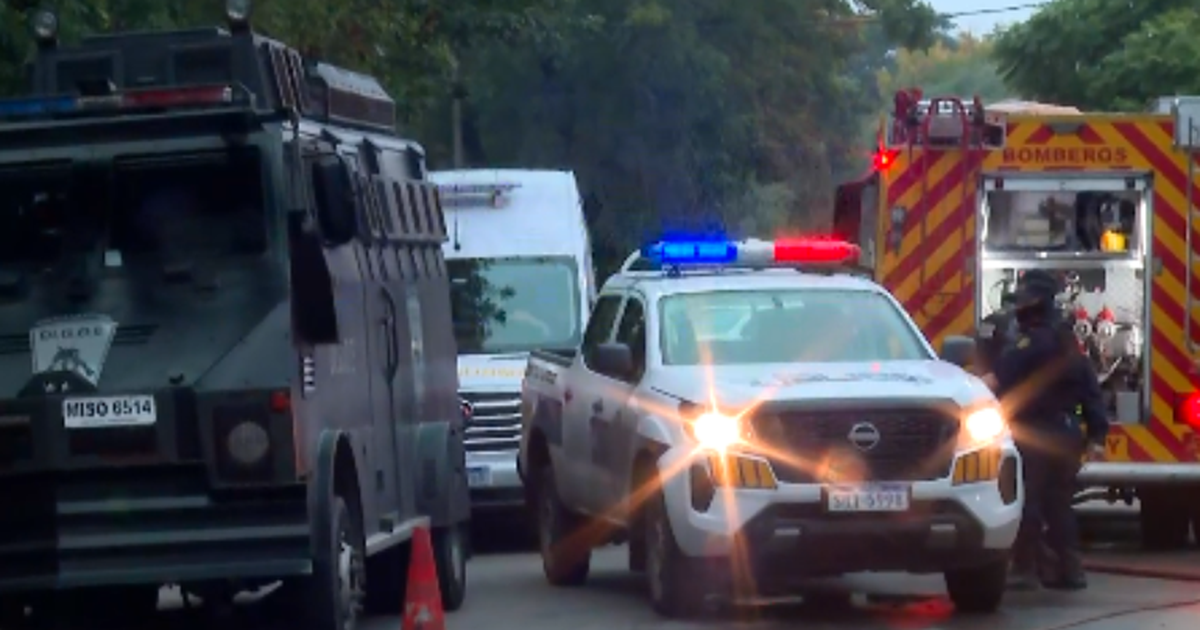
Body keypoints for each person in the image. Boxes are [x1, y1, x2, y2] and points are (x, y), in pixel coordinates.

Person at [980, 269, 1108, 591]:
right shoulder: (1068, 342)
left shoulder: (1029, 343)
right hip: (1066, 436)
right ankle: (1070, 569)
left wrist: (958, 390)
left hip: (1034, 435)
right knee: (1059, 503)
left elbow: (994, 382)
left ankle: (1025, 569)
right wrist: (1097, 435)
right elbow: (1091, 389)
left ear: (1035, 302)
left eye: (1022, 300)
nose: (1017, 308)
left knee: (1027, 500)